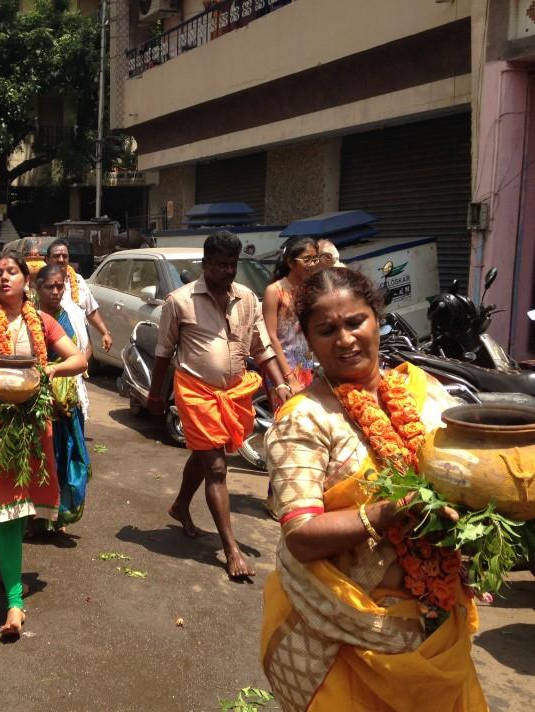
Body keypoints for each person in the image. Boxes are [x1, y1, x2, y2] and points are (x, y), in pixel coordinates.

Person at [261, 267, 486, 711]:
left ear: (376, 317)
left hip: (438, 624)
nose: (344, 339)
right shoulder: (304, 420)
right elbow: (301, 536)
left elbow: (472, 476)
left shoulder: (427, 394)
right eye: (326, 330)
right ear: (308, 340)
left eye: (354, 322)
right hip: (347, 639)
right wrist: (386, 514)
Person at [0, 252, 87, 637]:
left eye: (12, 272)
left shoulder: (42, 321)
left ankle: (7, 571)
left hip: (32, 425)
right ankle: (15, 603)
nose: (4, 278)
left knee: (23, 507)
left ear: (26, 281)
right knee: (7, 510)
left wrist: (50, 369)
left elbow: (78, 358)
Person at [148, 231, 287, 579]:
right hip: (195, 392)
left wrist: (280, 384)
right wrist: (154, 395)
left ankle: (180, 505)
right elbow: (164, 352)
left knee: (204, 452)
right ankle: (231, 549)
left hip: (234, 393)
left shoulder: (248, 299)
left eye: (232, 264)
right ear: (206, 264)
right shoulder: (179, 301)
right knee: (218, 468)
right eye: (220, 264)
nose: (227, 271)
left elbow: (262, 347)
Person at [33, 264, 91, 531]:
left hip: (67, 401)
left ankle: (60, 515)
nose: (56, 291)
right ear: (37, 288)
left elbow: (83, 350)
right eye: (50, 286)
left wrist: (69, 380)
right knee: (41, 461)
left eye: (60, 286)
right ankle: (35, 519)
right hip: (38, 400)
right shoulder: (30, 319)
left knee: (67, 458)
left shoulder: (73, 315)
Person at [263, 237, 320, 394]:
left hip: (304, 363)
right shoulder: (275, 291)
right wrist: (289, 377)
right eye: (307, 259)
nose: (313, 264)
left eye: (315, 259)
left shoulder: (309, 289)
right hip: (282, 369)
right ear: (290, 263)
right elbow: (271, 337)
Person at [45, 238, 113, 356]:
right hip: (54, 356)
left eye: (64, 256)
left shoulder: (78, 280)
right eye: (56, 256)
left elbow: (91, 311)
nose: (61, 259)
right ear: (47, 260)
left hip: (80, 355)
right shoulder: (42, 284)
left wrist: (105, 333)